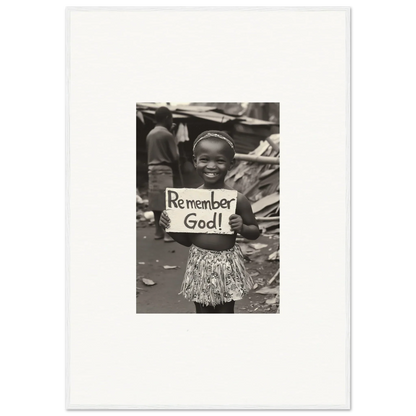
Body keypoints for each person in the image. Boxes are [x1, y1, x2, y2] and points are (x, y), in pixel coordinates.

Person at [159, 130, 260, 313]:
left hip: (226, 266)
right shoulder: (188, 200)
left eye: (220, 161)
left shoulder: (237, 199)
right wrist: (169, 227)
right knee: (203, 311)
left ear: (231, 164)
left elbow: (255, 231)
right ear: (195, 161)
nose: (211, 166)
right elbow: (188, 240)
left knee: (225, 311)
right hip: (199, 264)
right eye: (205, 159)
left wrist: (243, 227)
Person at [146, 106, 178, 242]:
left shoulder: (150, 134)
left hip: (152, 170)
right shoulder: (167, 135)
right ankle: (168, 233)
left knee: (156, 201)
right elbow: (175, 157)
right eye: (171, 119)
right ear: (167, 118)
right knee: (168, 202)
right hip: (165, 170)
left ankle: (158, 232)